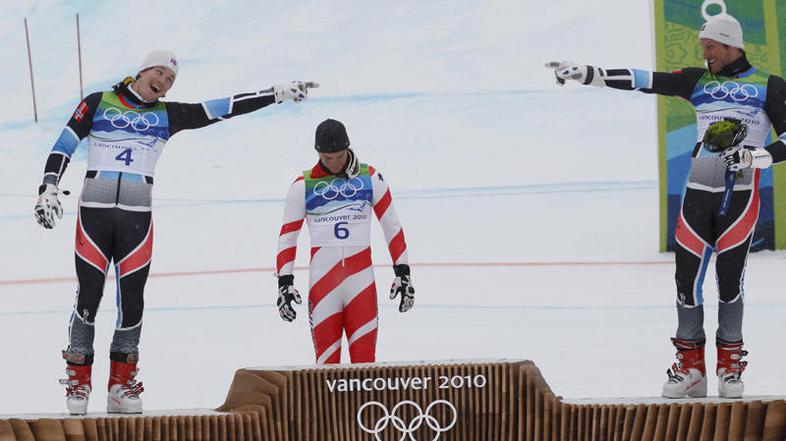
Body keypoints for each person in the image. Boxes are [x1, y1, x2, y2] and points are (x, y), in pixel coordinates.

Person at [33, 49, 317, 414]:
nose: (163, 82)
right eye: (160, 73)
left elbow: (221, 107)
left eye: (169, 80)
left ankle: (121, 383)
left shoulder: (168, 115)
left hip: (137, 218)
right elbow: (64, 144)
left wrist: (274, 93)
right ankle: (79, 381)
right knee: (88, 297)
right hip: (94, 216)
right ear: (142, 70)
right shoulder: (98, 102)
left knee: (132, 301)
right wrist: (48, 186)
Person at [547, 14, 786, 398]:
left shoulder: (769, 86)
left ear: (730, 46)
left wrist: (757, 157)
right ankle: (692, 369)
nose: (704, 52)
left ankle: (729, 367)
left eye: (710, 46)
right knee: (685, 285)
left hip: (738, 201)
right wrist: (588, 73)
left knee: (729, 285)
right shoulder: (698, 80)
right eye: (703, 46)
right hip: (696, 196)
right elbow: (645, 80)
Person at [275, 118, 415, 365]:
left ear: (348, 149)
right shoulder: (303, 186)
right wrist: (285, 283)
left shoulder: (370, 177)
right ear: (318, 153)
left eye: (339, 156)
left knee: (365, 369)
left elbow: (391, 225)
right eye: (327, 158)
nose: (334, 163)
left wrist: (402, 272)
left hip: (361, 285)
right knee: (325, 371)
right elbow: (288, 237)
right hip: (323, 286)